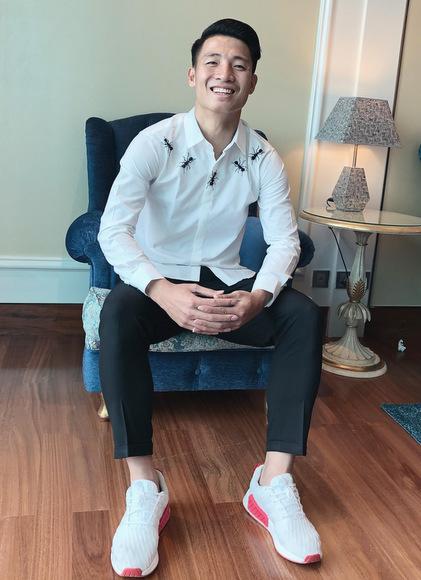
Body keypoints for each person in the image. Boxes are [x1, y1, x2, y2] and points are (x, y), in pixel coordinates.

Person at [98, 18, 323, 577]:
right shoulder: (155, 143)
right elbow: (112, 230)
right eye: (214, 62)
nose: (226, 73)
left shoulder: (264, 157)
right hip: (160, 285)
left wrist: (259, 297)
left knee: (302, 315)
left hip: (226, 283)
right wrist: (161, 290)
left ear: (252, 82)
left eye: (239, 65)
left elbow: (285, 242)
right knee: (117, 311)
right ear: (193, 74)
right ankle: (145, 488)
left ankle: (273, 483)